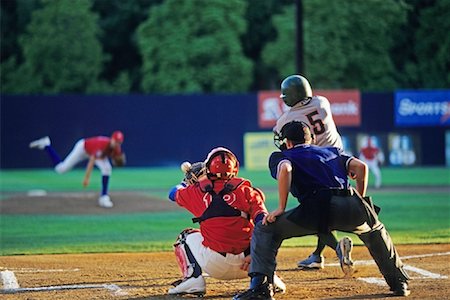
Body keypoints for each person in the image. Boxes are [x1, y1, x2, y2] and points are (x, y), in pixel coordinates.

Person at [233, 121, 410, 299]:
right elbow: (361, 167)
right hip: (351, 202)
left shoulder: (282, 155)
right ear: (311, 139)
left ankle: (260, 288)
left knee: (266, 230)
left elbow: (285, 169)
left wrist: (281, 208)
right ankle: (399, 282)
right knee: (375, 230)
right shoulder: (332, 151)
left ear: (287, 142)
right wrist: (360, 200)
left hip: (317, 208)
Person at [167, 147, 285, 296]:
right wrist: (257, 254)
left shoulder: (197, 191)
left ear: (209, 167)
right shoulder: (247, 191)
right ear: (235, 168)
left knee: (185, 236)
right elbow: (264, 224)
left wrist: (185, 183)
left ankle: (193, 280)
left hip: (215, 265)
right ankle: (268, 278)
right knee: (265, 232)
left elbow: (172, 193)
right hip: (251, 264)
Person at [273, 74, 344, 270]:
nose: (284, 98)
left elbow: (282, 138)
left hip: (313, 168)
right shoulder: (323, 102)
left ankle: (337, 249)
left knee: (314, 213)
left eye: (286, 95)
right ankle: (317, 255)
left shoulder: (287, 119)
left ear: (293, 95)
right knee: (325, 212)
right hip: (338, 162)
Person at [29, 130, 126, 208]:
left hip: (95, 154)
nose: (117, 144)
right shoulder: (102, 145)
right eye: (116, 141)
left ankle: (104, 197)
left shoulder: (117, 148)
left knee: (107, 169)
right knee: (61, 169)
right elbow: (92, 161)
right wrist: (86, 178)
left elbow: (116, 159)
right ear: (112, 139)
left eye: (119, 142)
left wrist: (116, 161)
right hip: (82, 149)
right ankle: (46, 145)